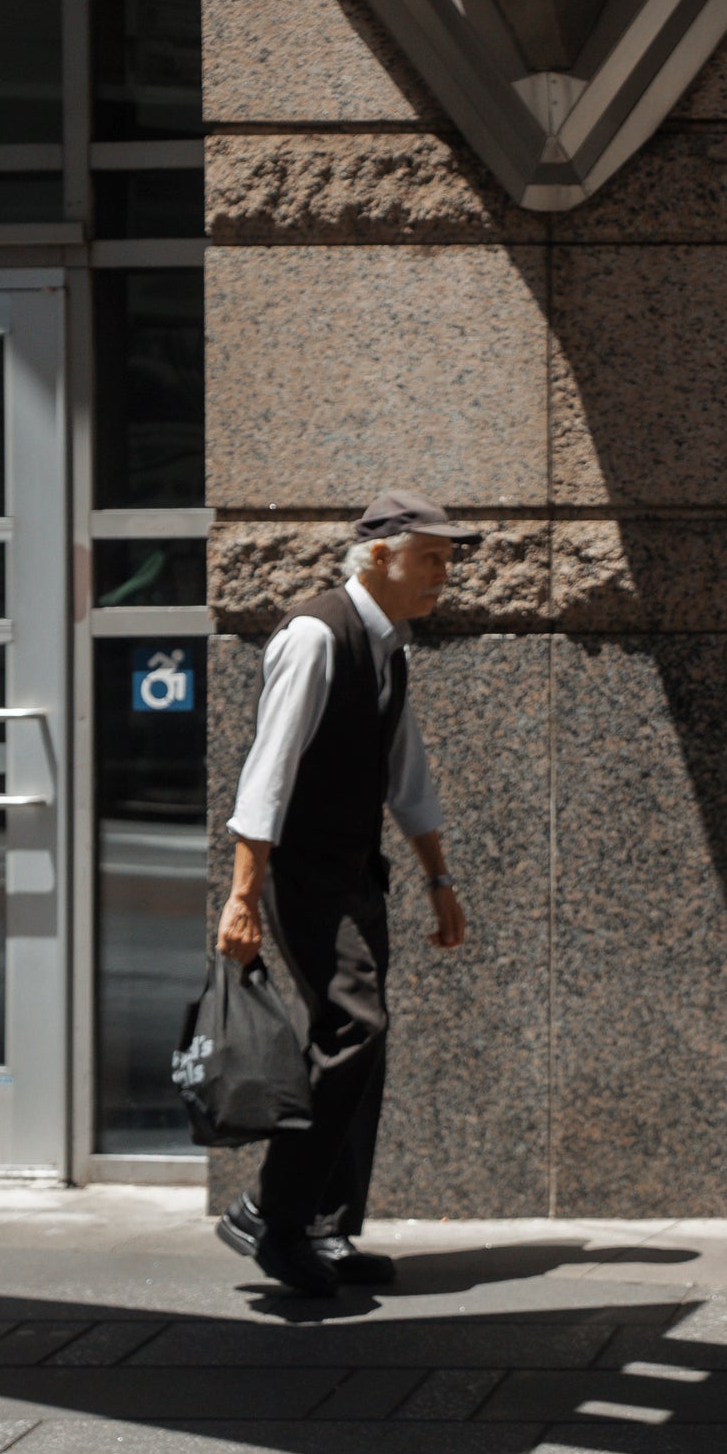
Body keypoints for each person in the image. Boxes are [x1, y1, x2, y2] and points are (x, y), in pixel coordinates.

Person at [213, 489, 472, 1295]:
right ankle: (270, 1212)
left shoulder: (389, 647)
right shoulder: (316, 637)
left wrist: (438, 878)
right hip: (301, 873)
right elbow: (269, 772)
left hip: (356, 871)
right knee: (355, 1025)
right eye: (431, 559)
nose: (444, 576)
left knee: (362, 1041)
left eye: (447, 562)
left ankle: (325, 1227)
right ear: (380, 556)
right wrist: (243, 896)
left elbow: (407, 775)